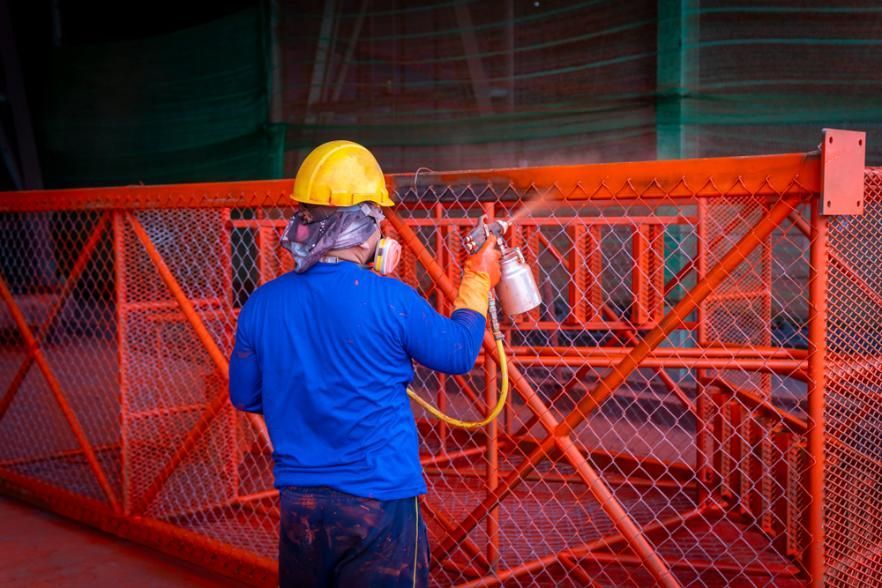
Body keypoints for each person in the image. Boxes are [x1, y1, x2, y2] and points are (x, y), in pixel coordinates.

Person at [228, 140, 501, 587]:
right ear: (362, 225)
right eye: (379, 221)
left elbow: (245, 394)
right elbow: (457, 352)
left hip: (301, 502)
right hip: (380, 498)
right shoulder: (390, 299)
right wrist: (478, 276)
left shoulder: (262, 302)